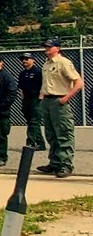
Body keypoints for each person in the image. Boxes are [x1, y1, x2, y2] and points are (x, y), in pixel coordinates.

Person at [38, 37, 84, 179]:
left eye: (49, 47)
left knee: (63, 133)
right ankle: (55, 162)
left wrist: (66, 97)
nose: (47, 49)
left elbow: (79, 83)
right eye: (46, 47)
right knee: (51, 134)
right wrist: (42, 96)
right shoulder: (46, 64)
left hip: (59, 100)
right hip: (47, 101)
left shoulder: (63, 62)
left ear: (57, 48)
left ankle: (65, 165)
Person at [18, 52, 45, 150]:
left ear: (33, 60)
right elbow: (20, 87)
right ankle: (41, 143)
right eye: (23, 59)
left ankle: (30, 143)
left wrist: (41, 97)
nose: (24, 61)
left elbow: (44, 85)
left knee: (34, 121)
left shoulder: (38, 72)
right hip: (26, 100)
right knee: (31, 122)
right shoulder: (22, 73)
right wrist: (23, 98)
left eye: (27, 59)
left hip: (36, 99)